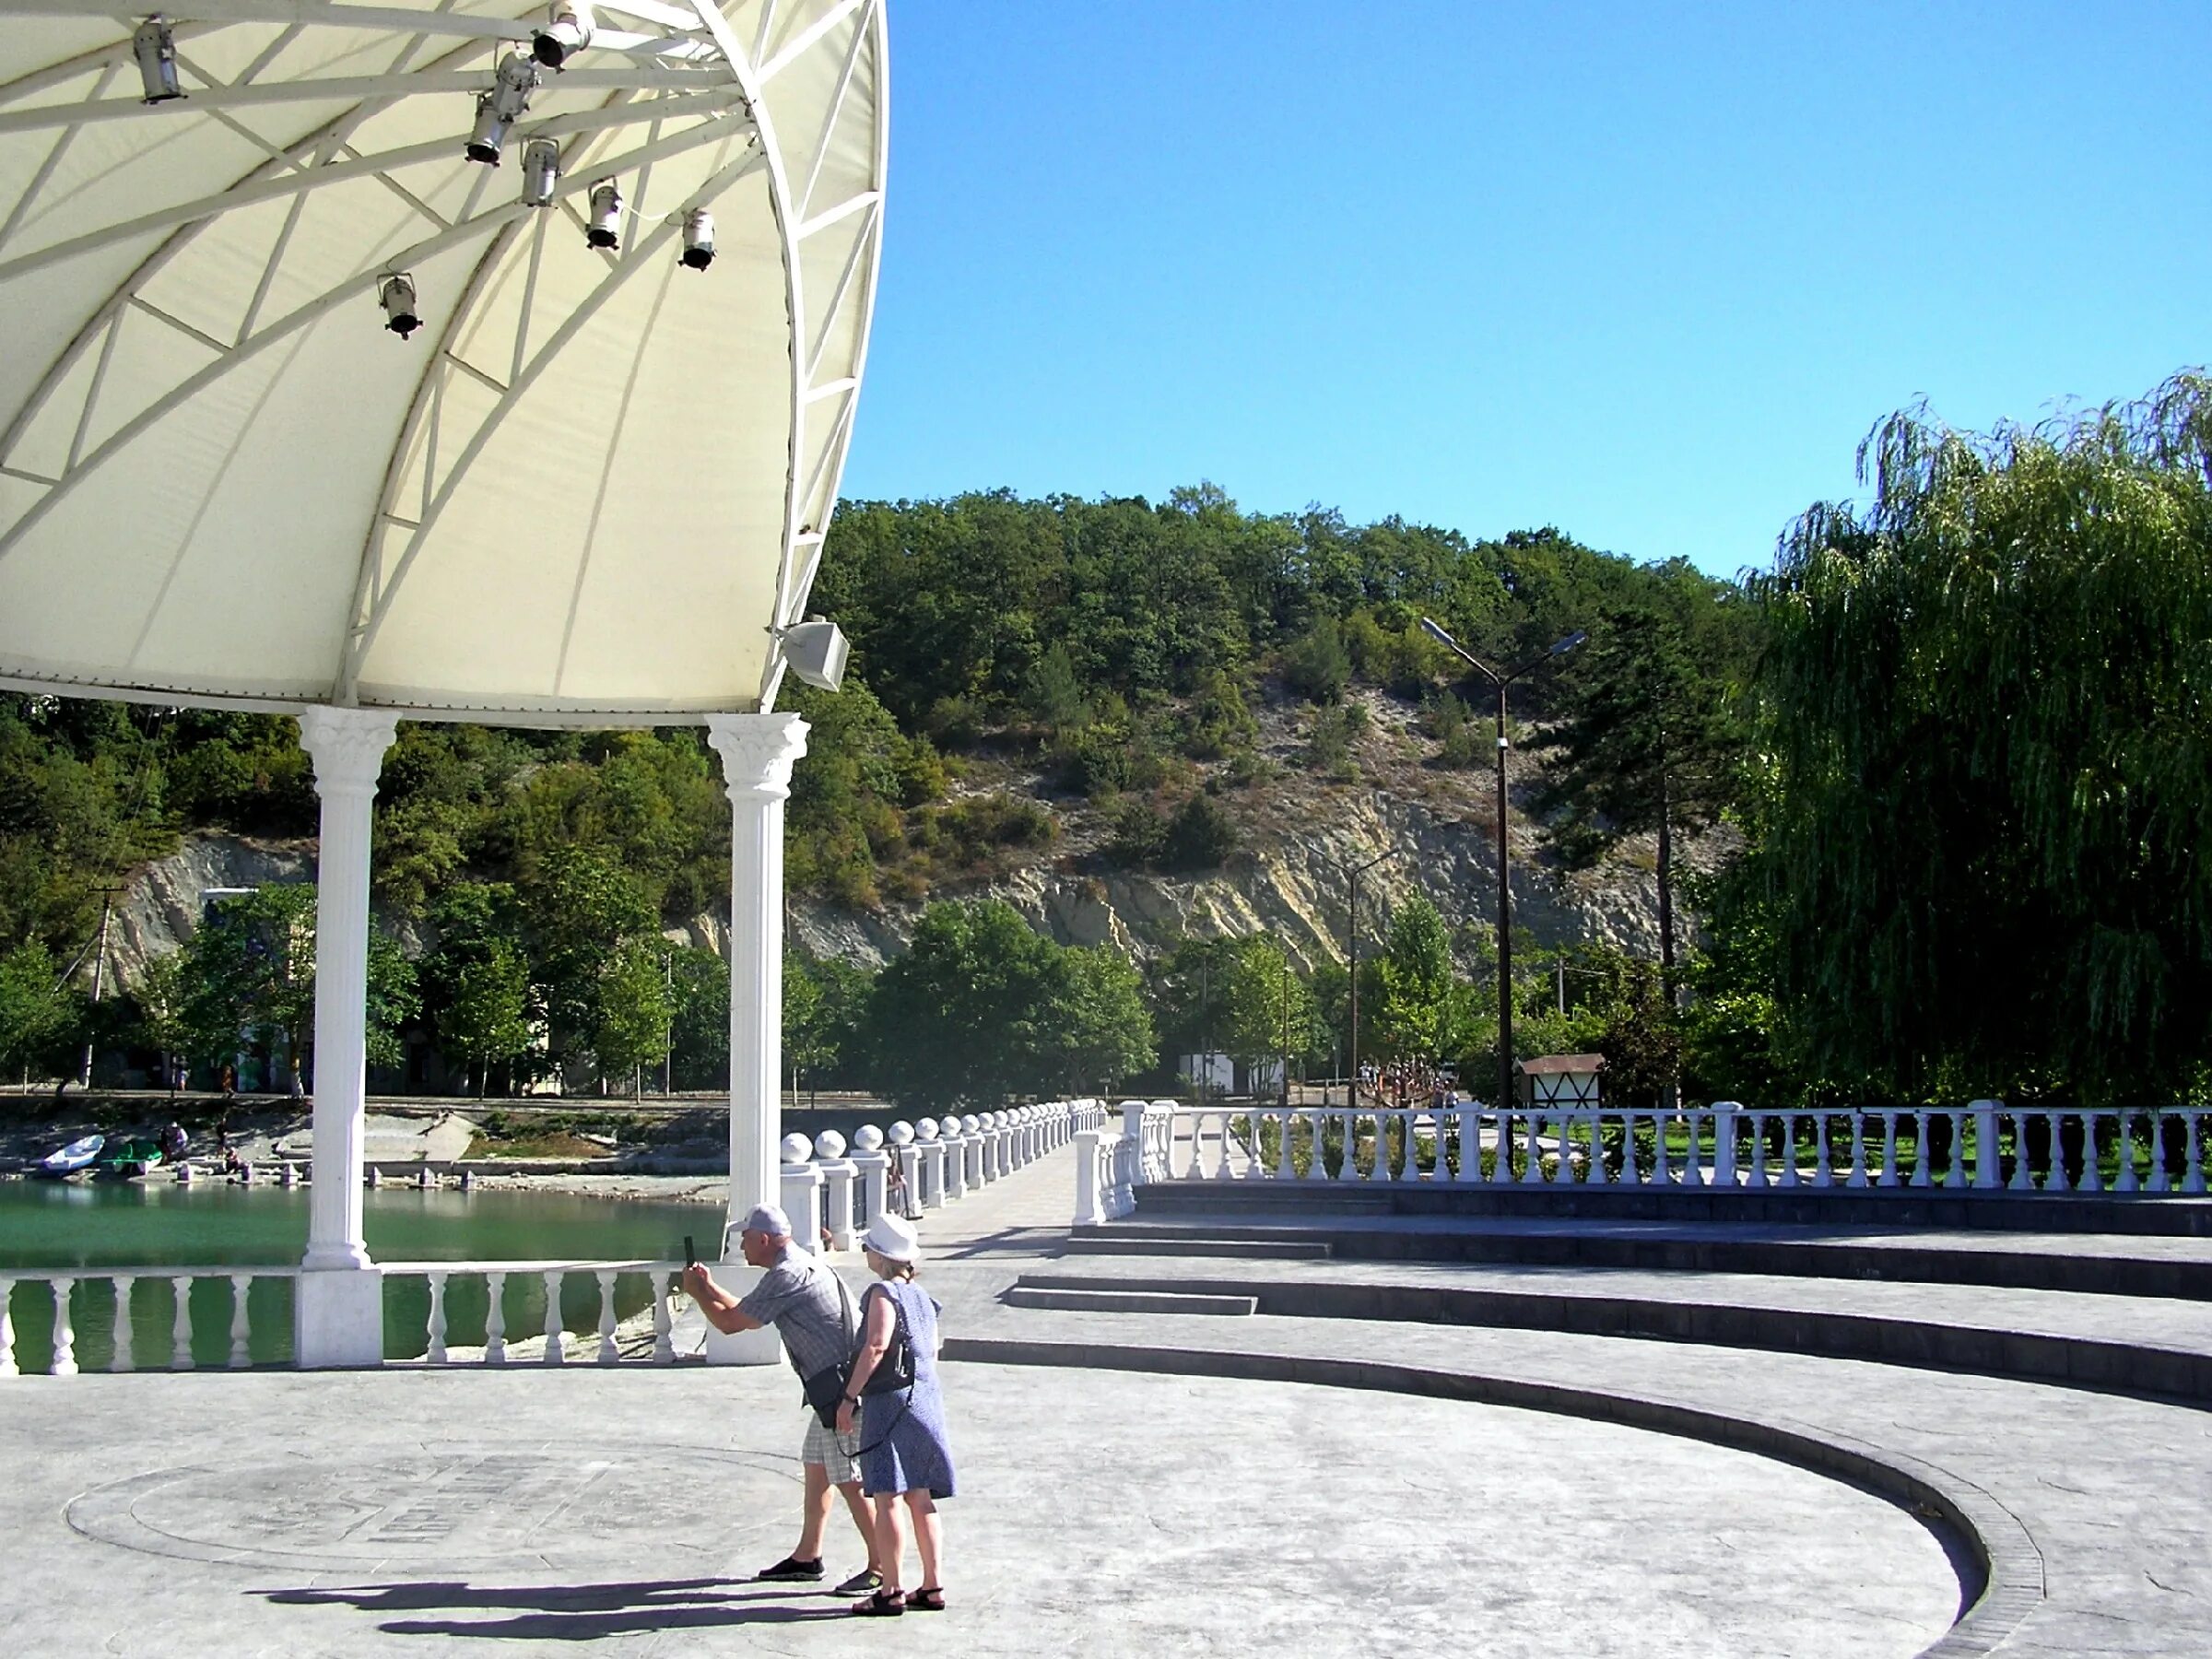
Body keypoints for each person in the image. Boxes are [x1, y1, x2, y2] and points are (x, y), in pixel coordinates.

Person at [684, 1205, 885, 1595]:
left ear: (764, 1239)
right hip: (834, 1386)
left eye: (745, 1236)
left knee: (849, 1479)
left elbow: (728, 1325)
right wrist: (707, 1286)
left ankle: (880, 1566)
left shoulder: (787, 1274)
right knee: (816, 1465)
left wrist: (696, 1295)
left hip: (843, 1394)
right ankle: (808, 1556)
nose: (740, 1243)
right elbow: (746, 1311)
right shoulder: (799, 1265)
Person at [838, 1213, 956, 1617]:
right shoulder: (924, 1298)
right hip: (927, 1398)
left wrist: (849, 1397)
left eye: (869, 1247)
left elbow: (875, 1346)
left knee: (887, 1494)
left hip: (891, 1401)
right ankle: (933, 1584)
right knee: (920, 1495)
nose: (866, 1252)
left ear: (882, 1256)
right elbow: (933, 1351)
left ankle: (890, 1589)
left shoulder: (882, 1293)